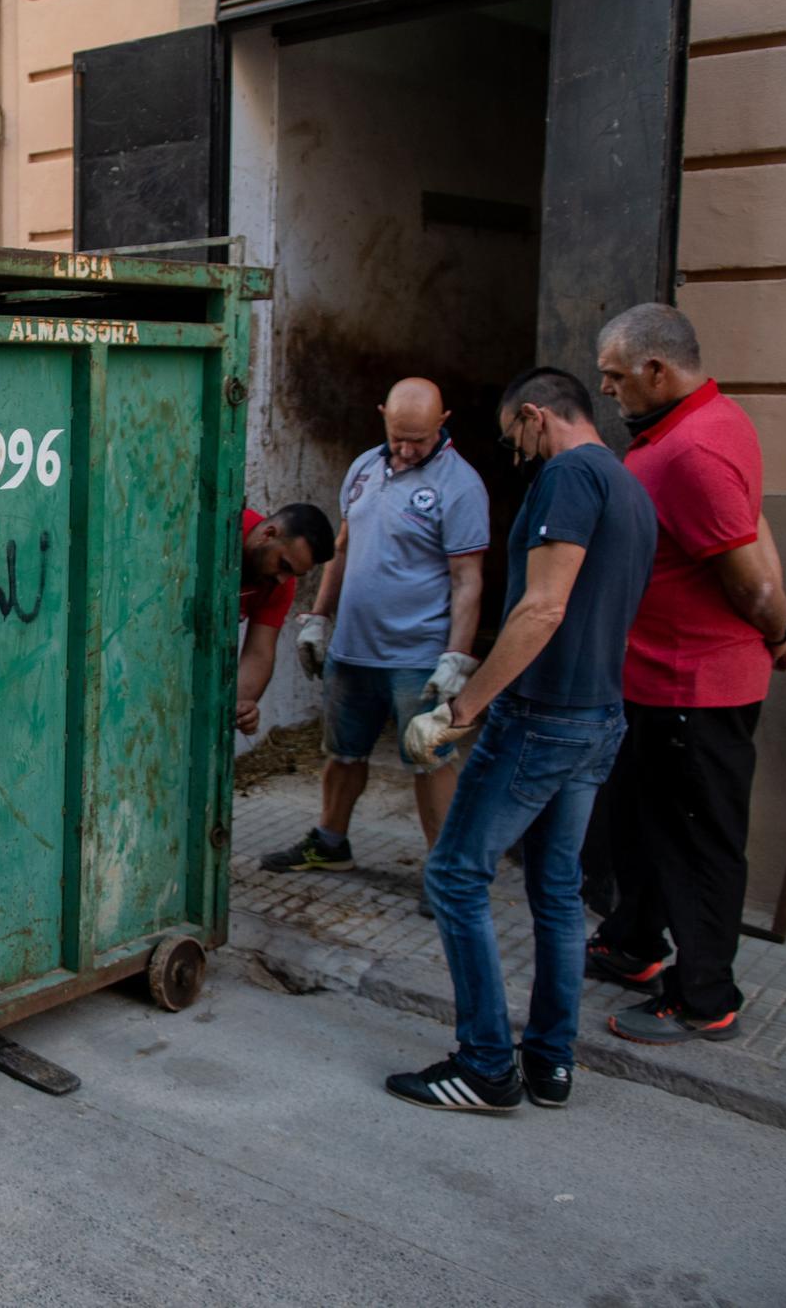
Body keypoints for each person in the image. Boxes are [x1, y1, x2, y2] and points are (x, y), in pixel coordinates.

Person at [384, 368, 655, 1112]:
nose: (518, 456)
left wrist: (462, 710)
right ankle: (550, 1062)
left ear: (536, 417)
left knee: (454, 876)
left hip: (543, 717)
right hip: (599, 715)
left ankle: (483, 1066)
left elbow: (543, 609)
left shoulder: (568, 477)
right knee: (558, 890)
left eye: (515, 441)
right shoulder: (628, 485)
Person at [584, 304, 786, 1046]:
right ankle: (632, 945)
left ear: (656, 370)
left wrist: (775, 628)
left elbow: (750, 575)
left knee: (697, 844)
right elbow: (753, 525)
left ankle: (705, 998)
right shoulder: (714, 419)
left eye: (615, 376)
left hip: (695, 688)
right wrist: (778, 628)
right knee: (639, 826)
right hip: (654, 681)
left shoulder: (694, 451)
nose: (607, 389)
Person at [262, 378, 488, 877]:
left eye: (419, 440)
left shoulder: (461, 486)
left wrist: (457, 656)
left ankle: (444, 873)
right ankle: (330, 841)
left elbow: (467, 579)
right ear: (383, 415)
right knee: (342, 753)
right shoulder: (364, 466)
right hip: (353, 649)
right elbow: (342, 548)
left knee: (429, 758)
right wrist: (319, 617)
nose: (406, 451)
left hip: (418, 656)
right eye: (398, 437)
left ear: (443, 422)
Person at [236, 503, 337, 736]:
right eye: (283, 565)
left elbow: (259, 652)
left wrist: (240, 707)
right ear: (268, 534)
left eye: (293, 574)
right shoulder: (222, 528)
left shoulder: (280, 585)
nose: (282, 579)